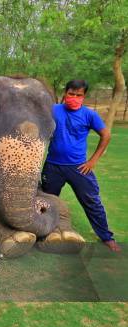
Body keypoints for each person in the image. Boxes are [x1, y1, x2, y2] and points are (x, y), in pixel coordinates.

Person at [42, 79, 120, 252]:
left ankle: (106, 237)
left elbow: (106, 135)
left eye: (79, 95)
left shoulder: (89, 115)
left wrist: (92, 161)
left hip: (79, 168)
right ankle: (45, 232)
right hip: (53, 166)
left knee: (92, 201)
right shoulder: (53, 110)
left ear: (84, 96)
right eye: (71, 94)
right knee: (47, 202)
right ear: (65, 93)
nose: (74, 98)